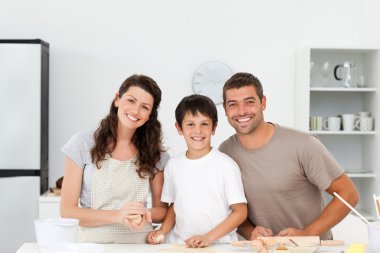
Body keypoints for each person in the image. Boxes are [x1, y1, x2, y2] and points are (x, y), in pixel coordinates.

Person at [219, 72, 359, 240]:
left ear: (263, 103)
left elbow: (349, 194)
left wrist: (307, 234)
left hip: (313, 250)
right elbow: (232, 209)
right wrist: (250, 232)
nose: (241, 111)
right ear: (225, 110)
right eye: (233, 104)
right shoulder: (226, 152)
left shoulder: (303, 144)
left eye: (249, 102)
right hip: (264, 250)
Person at [60, 74, 169, 243]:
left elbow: (161, 211)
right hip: (93, 244)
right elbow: (67, 211)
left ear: (150, 115)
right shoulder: (81, 144)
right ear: (117, 99)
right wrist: (118, 216)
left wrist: (144, 214)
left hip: (140, 243)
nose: (136, 111)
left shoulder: (155, 153)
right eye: (131, 101)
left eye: (145, 107)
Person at [147, 94, 247, 247]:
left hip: (219, 246)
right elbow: (175, 206)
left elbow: (240, 212)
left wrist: (208, 237)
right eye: (190, 124)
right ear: (179, 128)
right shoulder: (173, 165)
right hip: (180, 245)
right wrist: (162, 231)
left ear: (214, 128)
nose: (198, 131)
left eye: (204, 124)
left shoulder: (226, 165)